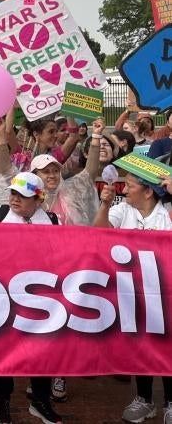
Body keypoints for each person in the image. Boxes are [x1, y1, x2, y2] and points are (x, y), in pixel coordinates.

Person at [0, 171, 64, 424]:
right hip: (3, 297)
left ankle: (40, 400)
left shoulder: (53, 221)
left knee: (43, 352)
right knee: (4, 352)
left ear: (38, 198)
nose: (15, 199)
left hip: (41, 299)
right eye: (13, 193)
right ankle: (1, 401)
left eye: (22, 196)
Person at [95, 172, 172, 424]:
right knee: (141, 345)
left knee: (167, 346)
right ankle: (144, 399)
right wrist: (105, 205)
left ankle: (170, 403)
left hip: (166, 294)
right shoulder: (122, 210)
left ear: (148, 191)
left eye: (129, 186)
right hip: (132, 293)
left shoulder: (167, 213)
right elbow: (98, 233)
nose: (124, 191)